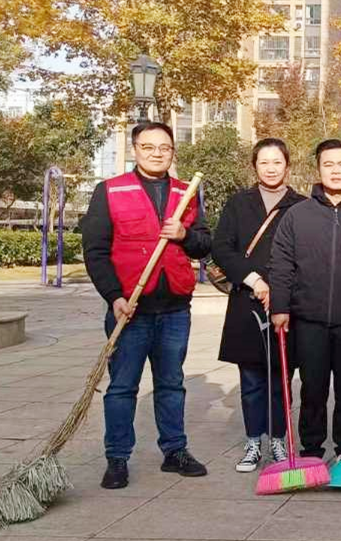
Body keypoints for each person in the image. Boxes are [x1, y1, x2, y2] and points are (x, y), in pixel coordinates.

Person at [81, 121, 212, 489]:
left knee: (171, 383)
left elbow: (204, 245)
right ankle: (117, 458)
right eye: (148, 146)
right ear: (135, 149)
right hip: (130, 308)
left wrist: (184, 234)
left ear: (172, 152)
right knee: (122, 387)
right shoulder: (110, 191)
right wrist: (114, 296)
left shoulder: (187, 192)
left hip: (174, 309)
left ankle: (175, 451)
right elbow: (95, 251)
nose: (157, 153)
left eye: (164, 147)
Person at [268, 139, 341, 462]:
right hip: (309, 319)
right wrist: (280, 307)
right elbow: (281, 264)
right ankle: (311, 451)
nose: (336, 171)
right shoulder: (297, 215)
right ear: (318, 169)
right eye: (328, 165)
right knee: (312, 389)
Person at [211, 138, 305, 472]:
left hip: (286, 305)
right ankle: (253, 442)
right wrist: (254, 280)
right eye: (264, 162)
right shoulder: (238, 203)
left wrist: (280, 290)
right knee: (251, 380)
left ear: (287, 165)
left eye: (277, 162)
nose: (271, 168)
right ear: (255, 166)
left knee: (281, 378)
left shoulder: (301, 206)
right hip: (246, 301)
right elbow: (222, 248)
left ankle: (278, 439)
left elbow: (307, 255)